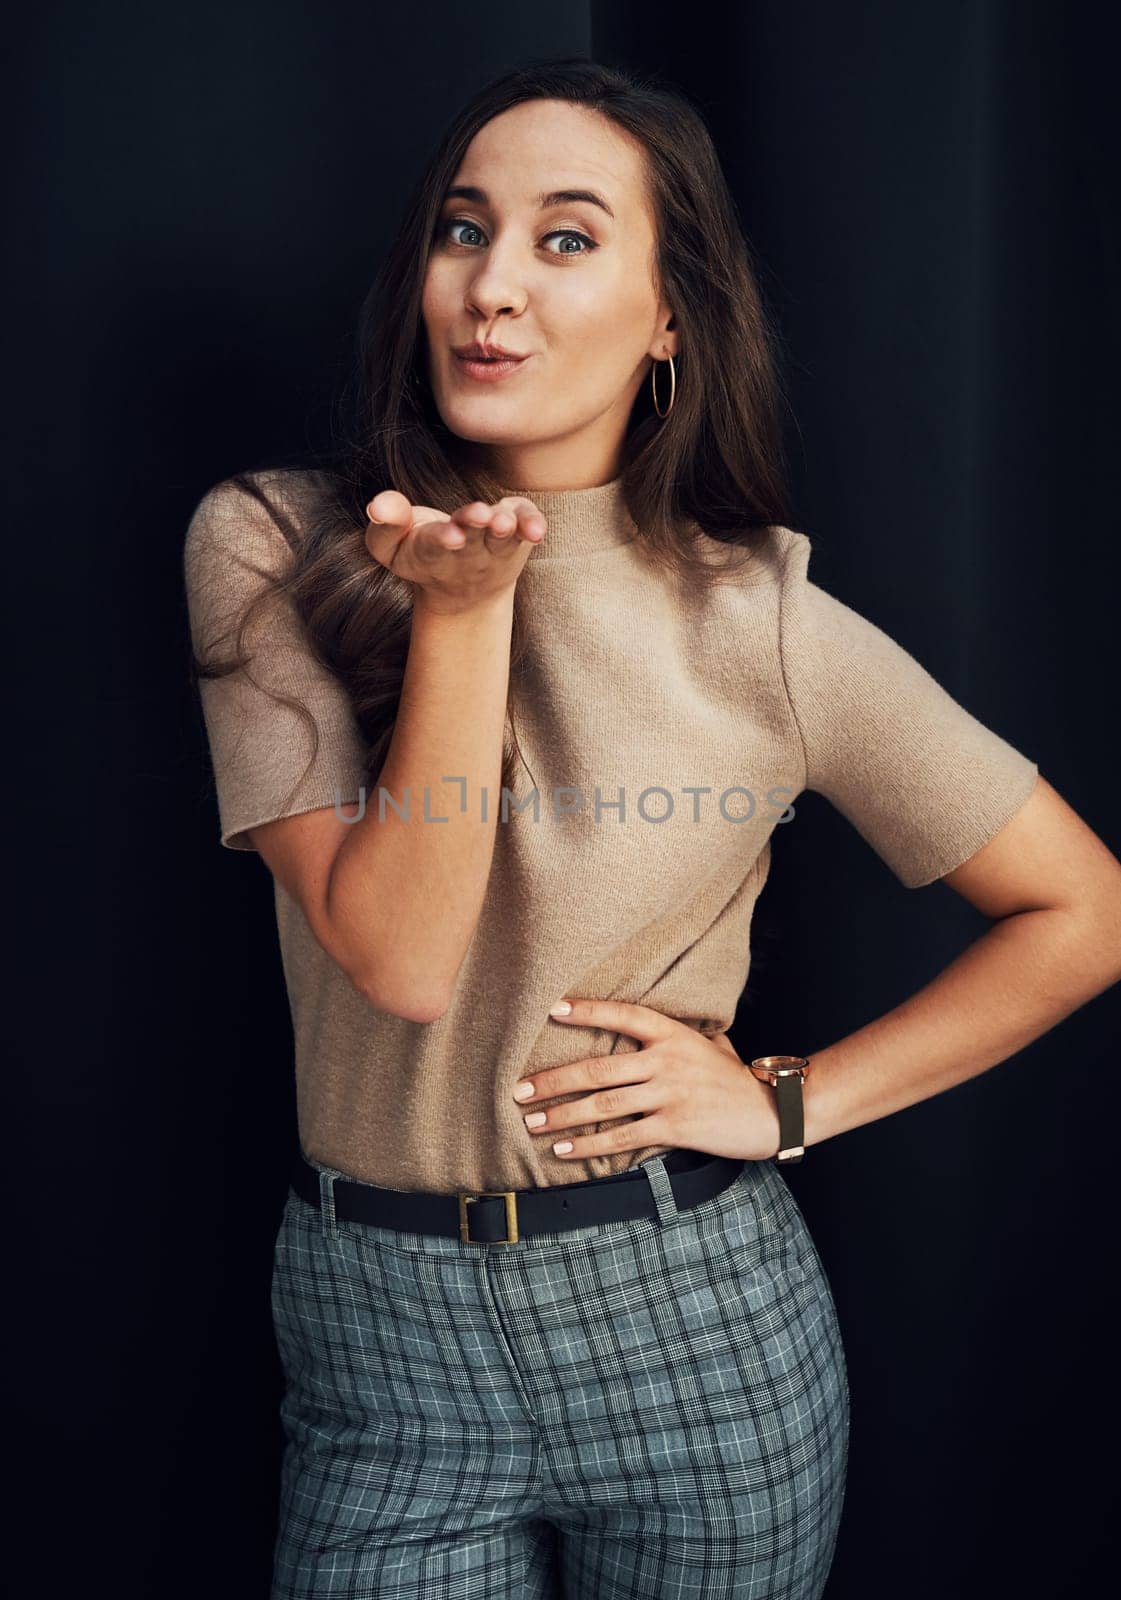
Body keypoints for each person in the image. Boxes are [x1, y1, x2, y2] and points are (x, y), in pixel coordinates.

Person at [183, 56, 1121, 1600]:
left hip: (691, 1329)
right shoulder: (273, 542)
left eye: (565, 239)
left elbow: (1080, 910)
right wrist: (468, 615)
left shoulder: (762, 621)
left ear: (670, 316)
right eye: (462, 230)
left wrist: (790, 1103)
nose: (493, 287)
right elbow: (402, 958)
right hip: (376, 1335)